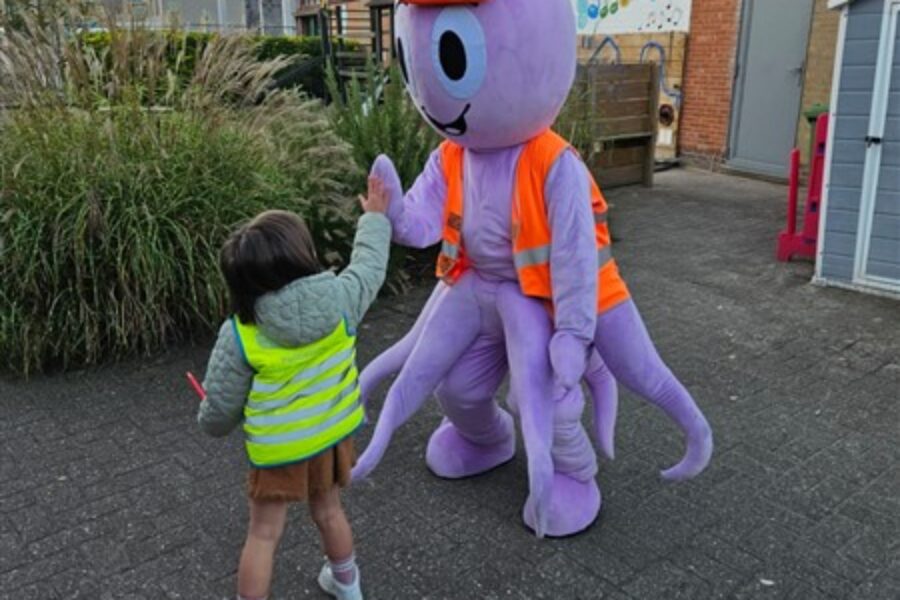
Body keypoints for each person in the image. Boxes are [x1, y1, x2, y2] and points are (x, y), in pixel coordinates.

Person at [197, 177, 392, 600]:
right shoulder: (343, 297)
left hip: (280, 449)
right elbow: (371, 265)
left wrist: (210, 416)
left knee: (264, 534)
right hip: (330, 436)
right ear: (304, 255)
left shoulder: (241, 334)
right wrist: (374, 217)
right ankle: (347, 587)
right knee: (329, 511)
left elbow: (219, 413)